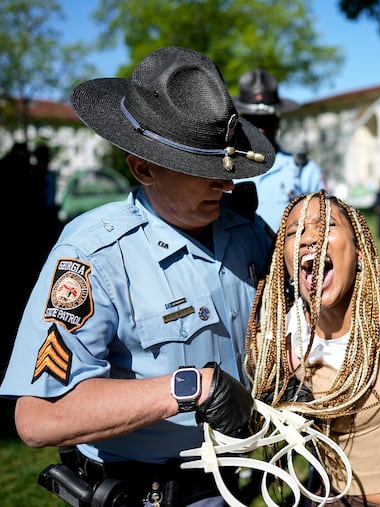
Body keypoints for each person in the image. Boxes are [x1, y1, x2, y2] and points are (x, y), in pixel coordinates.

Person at [0, 46, 277, 506]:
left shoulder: (245, 229)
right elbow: (38, 418)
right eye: (202, 170)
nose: (227, 184)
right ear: (142, 167)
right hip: (147, 495)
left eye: (225, 167)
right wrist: (189, 387)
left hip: (240, 483)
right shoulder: (94, 254)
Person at [245, 190, 380, 506]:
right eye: (295, 231)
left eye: (325, 225)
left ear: (358, 247)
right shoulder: (283, 336)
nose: (309, 237)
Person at [232, 69, 326, 231]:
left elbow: (323, 220)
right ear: (242, 122)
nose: (260, 129)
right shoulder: (224, 165)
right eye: (253, 120)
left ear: (277, 122)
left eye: (266, 120)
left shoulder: (303, 169)